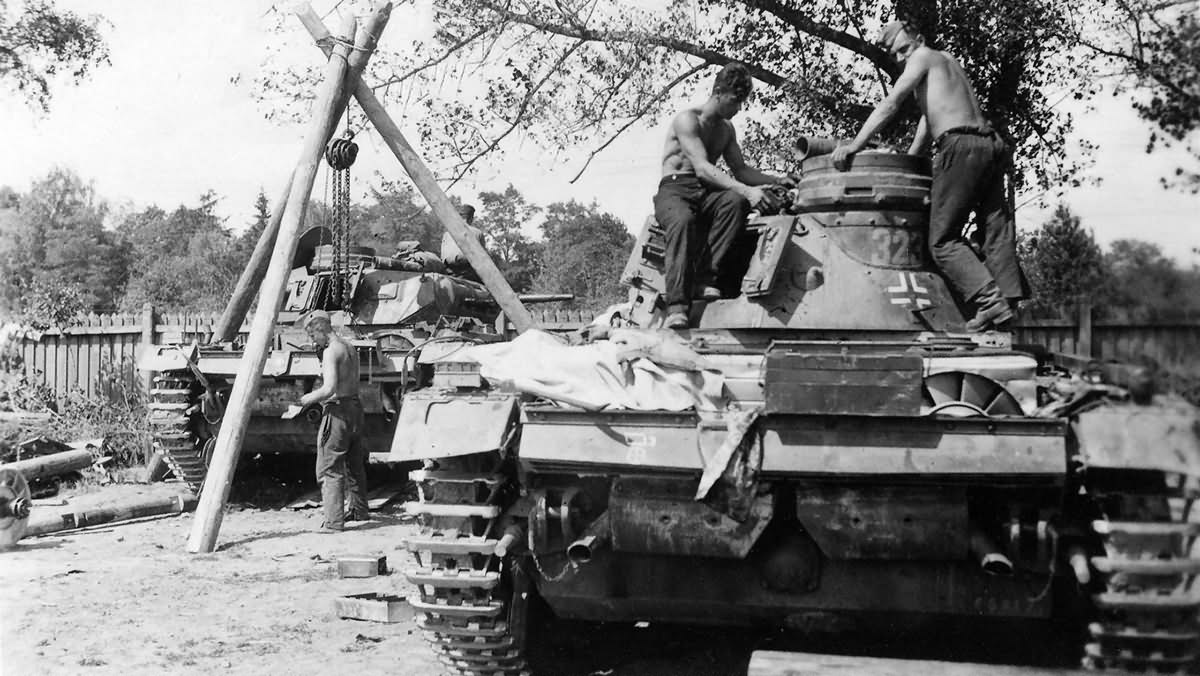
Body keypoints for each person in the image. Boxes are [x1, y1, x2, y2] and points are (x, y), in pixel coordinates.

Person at [831, 20, 1029, 332]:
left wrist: (855, 145)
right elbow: (929, 118)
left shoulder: (922, 57)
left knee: (941, 240)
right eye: (895, 54)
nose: (900, 58)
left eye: (903, 49)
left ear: (919, 39)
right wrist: (911, 159)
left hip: (961, 146)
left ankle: (991, 302)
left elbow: (891, 104)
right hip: (991, 145)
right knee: (995, 229)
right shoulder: (947, 62)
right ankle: (1009, 301)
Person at [655, 62, 794, 329]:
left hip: (705, 192)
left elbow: (740, 169)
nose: (738, 108)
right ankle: (677, 306)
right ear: (718, 92)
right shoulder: (687, 120)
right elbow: (703, 168)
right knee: (683, 221)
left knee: (735, 202)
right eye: (735, 100)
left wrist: (777, 180)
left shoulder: (726, 130)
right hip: (675, 190)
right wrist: (748, 191)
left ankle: (706, 279)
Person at [298, 310, 367, 532]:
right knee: (354, 464)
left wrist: (306, 399)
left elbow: (329, 388)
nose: (312, 341)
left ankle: (334, 522)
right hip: (355, 409)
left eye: (312, 336)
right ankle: (359, 510)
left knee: (329, 466)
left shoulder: (330, 352)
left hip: (337, 413)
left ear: (320, 328)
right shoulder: (349, 347)